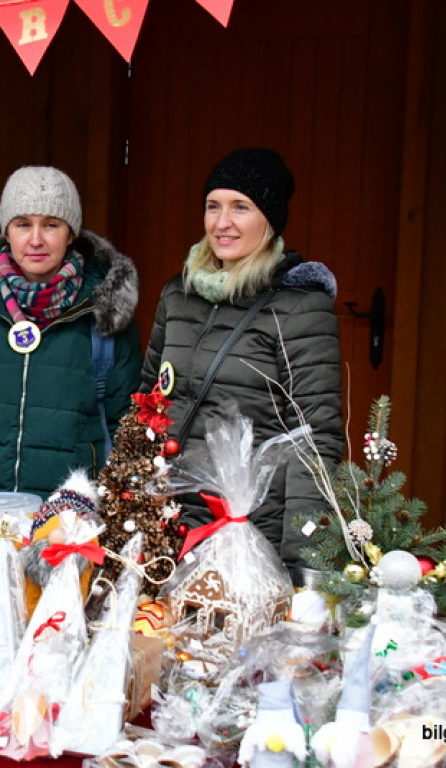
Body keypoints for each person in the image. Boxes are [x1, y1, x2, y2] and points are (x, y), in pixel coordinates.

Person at [140, 147, 343, 578]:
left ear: (269, 220)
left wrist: (302, 562)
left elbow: (314, 442)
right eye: (213, 206)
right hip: (166, 527)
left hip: (247, 533)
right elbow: (147, 403)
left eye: (240, 207)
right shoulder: (178, 295)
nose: (222, 223)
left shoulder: (299, 308)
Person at [0, 165, 142, 516]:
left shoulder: (104, 314)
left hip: (70, 523)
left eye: (51, 225)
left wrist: (118, 518)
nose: (36, 240)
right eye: (23, 224)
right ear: (7, 232)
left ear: (71, 234)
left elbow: (127, 425)